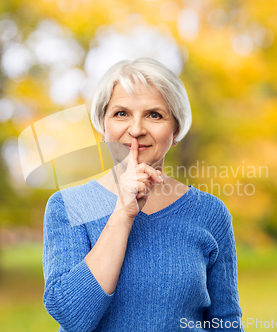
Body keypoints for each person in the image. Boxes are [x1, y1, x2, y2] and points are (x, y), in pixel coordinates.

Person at [42, 57, 244, 331]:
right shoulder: (68, 206)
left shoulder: (210, 213)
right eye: (121, 113)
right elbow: (71, 316)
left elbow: (226, 322)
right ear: (103, 126)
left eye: (154, 115)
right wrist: (122, 214)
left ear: (176, 130)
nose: (136, 130)